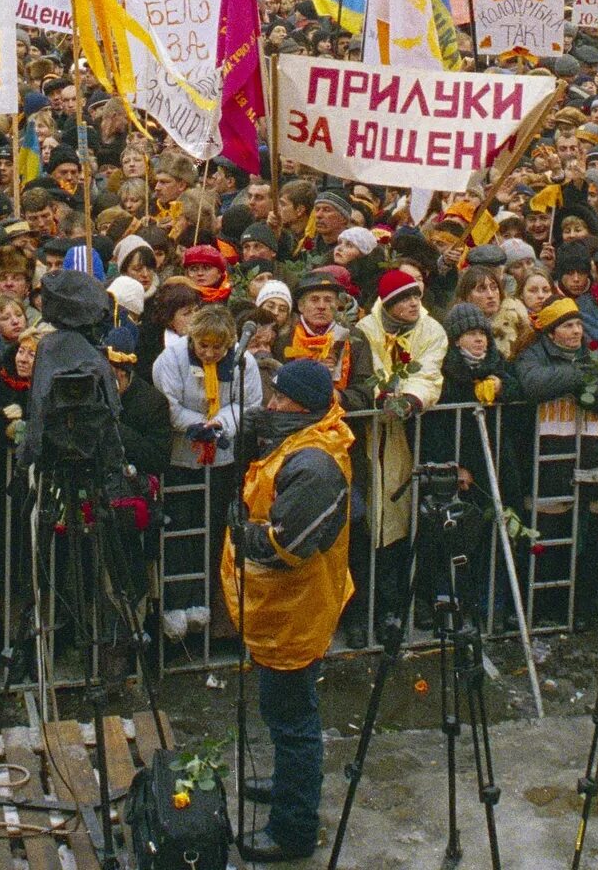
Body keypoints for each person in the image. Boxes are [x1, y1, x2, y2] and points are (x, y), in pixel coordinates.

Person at [216, 359, 356, 863]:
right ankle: (285, 785)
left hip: (296, 608)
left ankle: (293, 828)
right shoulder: (299, 441)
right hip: (280, 606)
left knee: (294, 719)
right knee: (282, 713)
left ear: (300, 405)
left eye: (278, 399)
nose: (270, 405)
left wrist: (241, 532)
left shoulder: (315, 461)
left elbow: (288, 544)